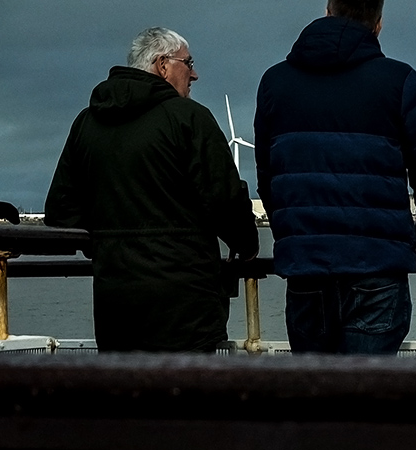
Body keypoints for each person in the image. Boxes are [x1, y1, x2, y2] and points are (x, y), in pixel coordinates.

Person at [255, 0, 416, 354]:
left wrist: (292, 238)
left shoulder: (275, 82)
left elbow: (268, 175)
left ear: (327, 12)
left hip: (306, 267)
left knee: (315, 393)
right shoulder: (399, 80)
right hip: (375, 265)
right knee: (367, 397)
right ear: (378, 25)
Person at [44, 27, 259, 352]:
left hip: (115, 301)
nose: (195, 74)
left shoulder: (87, 123)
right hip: (187, 304)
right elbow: (225, 199)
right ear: (162, 65)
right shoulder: (189, 118)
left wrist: (110, 245)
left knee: (126, 394)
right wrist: (247, 245)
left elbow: (61, 211)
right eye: (188, 63)